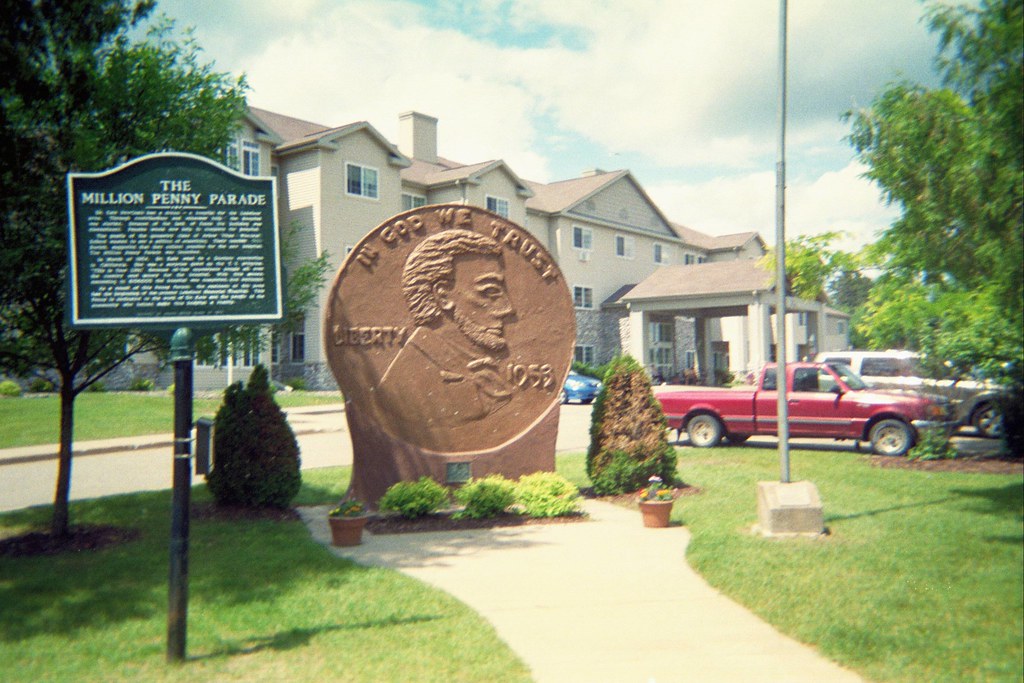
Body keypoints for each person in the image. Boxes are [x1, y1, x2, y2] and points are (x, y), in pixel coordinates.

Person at [374, 228, 517, 451]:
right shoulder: (404, 387)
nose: (507, 309)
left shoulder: (475, 369)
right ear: (442, 296)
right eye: (490, 292)